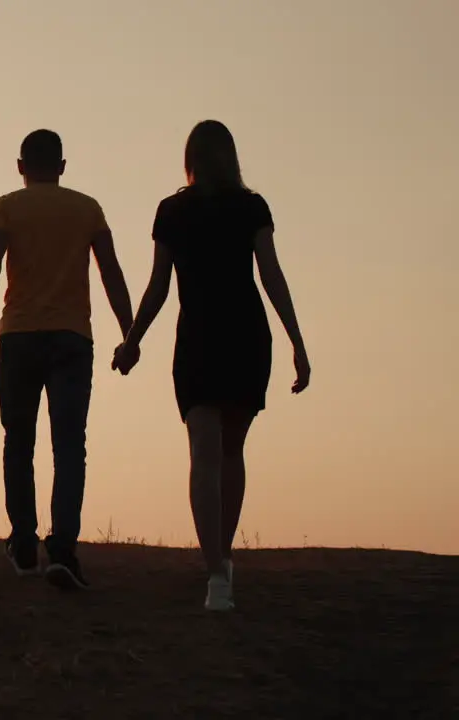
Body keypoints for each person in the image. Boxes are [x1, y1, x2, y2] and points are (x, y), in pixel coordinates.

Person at [112, 119, 311, 611]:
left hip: (198, 337)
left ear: (190, 160)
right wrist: (297, 343)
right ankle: (221, 560)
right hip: (246, 334)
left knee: (203, 451)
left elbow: (158, 286)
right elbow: (271, 275)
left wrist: (132, 341)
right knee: (230, 451)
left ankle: (217, 573)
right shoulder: (251, 207)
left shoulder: (172, 211)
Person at [0, 129, 134, 590]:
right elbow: (111, 272)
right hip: (71, 339)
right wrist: (130, 333)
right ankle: (62, 550)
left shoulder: (7, 206)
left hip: (18, 336)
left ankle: (23, 541)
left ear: (20, 166)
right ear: (62, 166)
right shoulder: (87, 208)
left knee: (18, 442)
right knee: (69, 447)